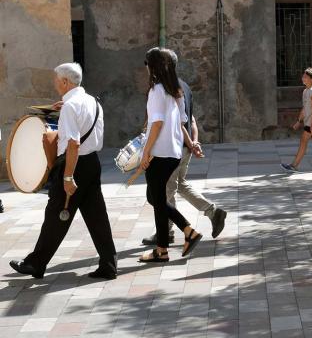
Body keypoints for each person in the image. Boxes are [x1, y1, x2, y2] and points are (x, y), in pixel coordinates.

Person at [10, 63, 117, 280]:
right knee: (97, 216)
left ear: (66, 82)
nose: (54, 83)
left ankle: (35, 264)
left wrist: (68, 176)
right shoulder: (92, 101)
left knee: (56, 214)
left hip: (73, 164)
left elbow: (73, 144)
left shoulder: (70, 106)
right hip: (92, 164)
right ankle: (109, 264)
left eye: (56, 80)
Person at [142, 50, 228, 245]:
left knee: (165, 192)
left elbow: (164, 122)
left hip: (171, 148)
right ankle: (212, 212)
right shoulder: (184, 87)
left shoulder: (165, 88)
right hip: (183, 146)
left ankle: (168, 232)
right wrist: (193, 143)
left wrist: (148, 149)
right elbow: (190, 119)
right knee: (178, 185)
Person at [138, 48, 204, 263]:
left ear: (153, 66)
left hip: (160, 153)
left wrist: (146, 152)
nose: (145, 67)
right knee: (157, 199)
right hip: (173, 153)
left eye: (147, 63)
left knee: (157, 200)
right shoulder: (174, 90)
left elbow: (157, 123)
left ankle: (183, 235)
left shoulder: (157, 90)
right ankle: (166, 247)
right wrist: (191, 145)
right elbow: (182, 123)